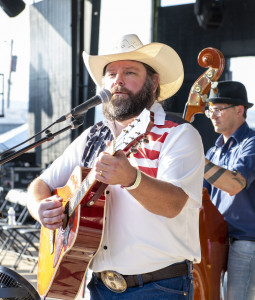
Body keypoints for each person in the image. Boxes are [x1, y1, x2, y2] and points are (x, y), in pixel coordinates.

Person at [27, 34, 205, 299]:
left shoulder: (178, 135)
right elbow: (40, 185)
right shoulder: (92, 136)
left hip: (159, 287)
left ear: (153, 83)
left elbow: (173, 205)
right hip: (98, 287)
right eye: (110, 74)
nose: (117, 81)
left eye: (129, 72)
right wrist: (40, 208)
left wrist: (132, 179)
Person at [202, 80, 255, 300]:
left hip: (247, 244)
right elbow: (201, 197)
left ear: (239, 110)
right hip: (217, 241)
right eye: (210, 110)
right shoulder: (214, 151)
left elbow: (234, 185)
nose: (213, 115)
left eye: (218, 109)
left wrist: (196, 158)